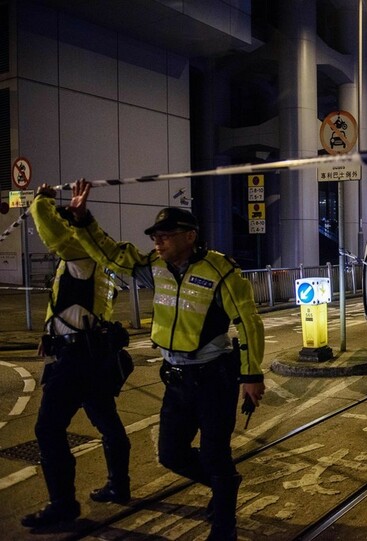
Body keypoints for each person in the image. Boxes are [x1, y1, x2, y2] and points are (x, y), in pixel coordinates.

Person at [68, 179, 265, 541]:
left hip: (214, 377)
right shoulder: (152, 267)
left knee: (214, 454)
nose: (157, 241)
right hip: (176, 379)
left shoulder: (221, 271)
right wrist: (83, 219)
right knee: (171, 455)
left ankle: (225, 528)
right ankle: (224, 489)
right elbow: (110, 254)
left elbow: (249, 324)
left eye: (166, 234)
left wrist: (251, 376)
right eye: (155, 235)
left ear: (190, 236)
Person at [21, 184, 132, 529]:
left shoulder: (81, 255)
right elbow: (73, 308)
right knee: (106, 420)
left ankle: (64, 506)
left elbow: (50, 229)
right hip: (89, 354)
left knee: (48, 428)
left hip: (77, 360)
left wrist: (42, 200)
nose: (65, 227)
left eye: (67, 223)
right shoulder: (93, 263)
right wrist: (51, 337)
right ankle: (118, 485)